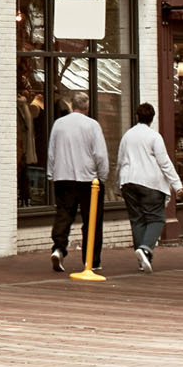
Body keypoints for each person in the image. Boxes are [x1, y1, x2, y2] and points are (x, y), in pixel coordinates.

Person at [47, 95, 108, 273]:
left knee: (64, 214)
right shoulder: (92, 125)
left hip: (63, 177)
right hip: (88, 179)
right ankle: (92, 260)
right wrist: (102, 176)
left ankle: (59, 248)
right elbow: (100, 155)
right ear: (87, 107)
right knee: (92, 219)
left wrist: (52, 172)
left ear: (72, 105)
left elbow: (52, 151)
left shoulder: (58, 124)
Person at [118, 103, 182, 273]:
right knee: (157, 219)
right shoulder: (154, 137)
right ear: (152, 118)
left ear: (137, 116)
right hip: (150, 183)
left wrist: (119, 183)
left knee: (137, 219)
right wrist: (177, 185)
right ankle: (146, 249)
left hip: (128, 182)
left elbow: (120, 160)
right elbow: (164, 163)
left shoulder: (127, 135)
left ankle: (142, 260)